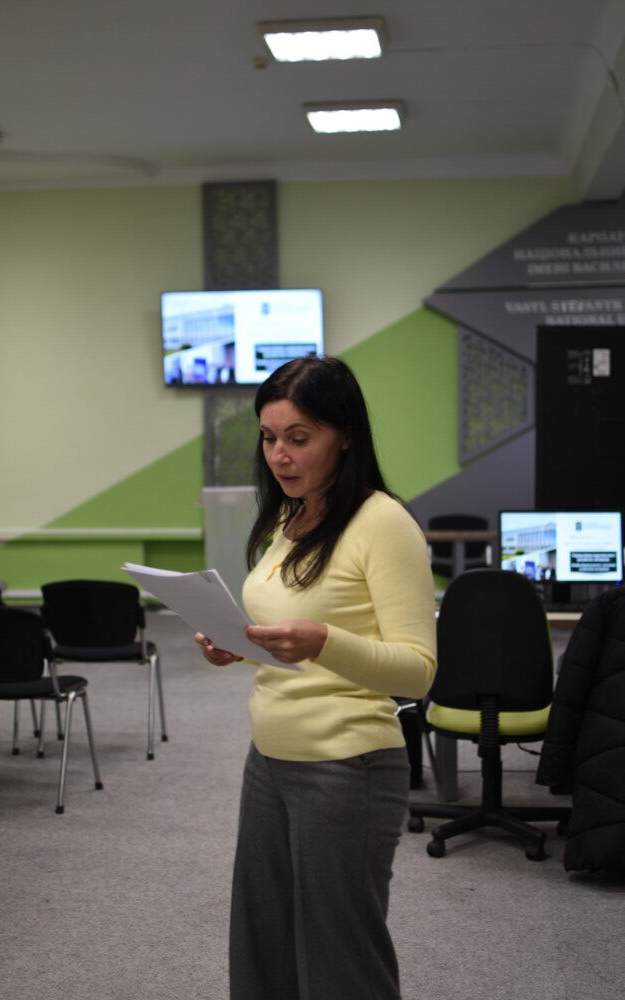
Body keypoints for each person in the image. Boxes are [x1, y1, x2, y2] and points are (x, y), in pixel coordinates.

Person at [195, 355, 437, 1000]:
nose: (279, 455)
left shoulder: (382, 522)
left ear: (345, 435)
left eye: (299, 438)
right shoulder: (291, 515)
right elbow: (289, 639)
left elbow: (418, 671)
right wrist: (238, 648)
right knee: (263, 949)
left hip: (347, 765)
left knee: (341, 963)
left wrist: (325, 641)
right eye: (269, 438)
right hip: (269, 756)